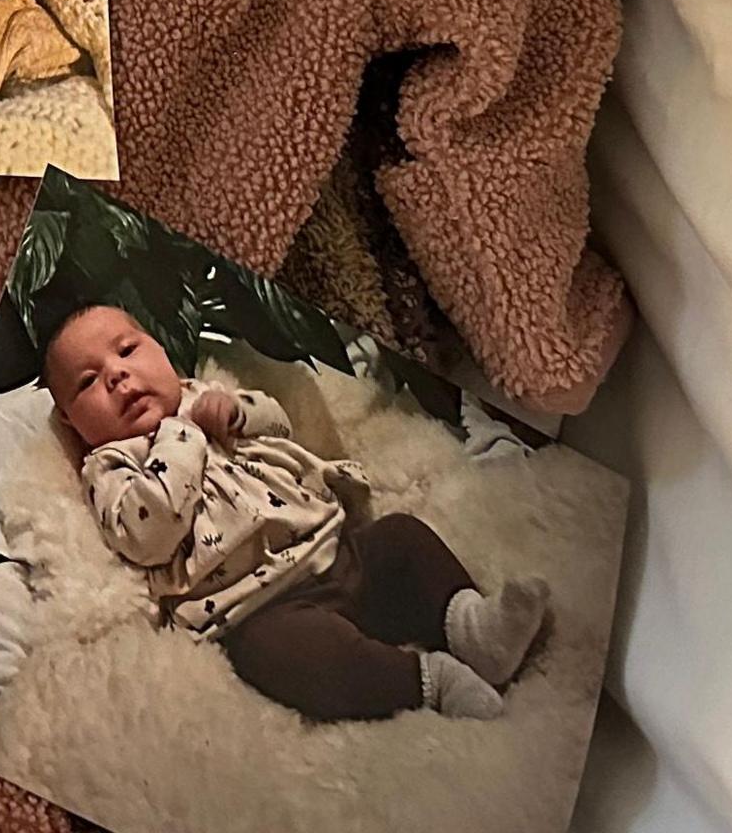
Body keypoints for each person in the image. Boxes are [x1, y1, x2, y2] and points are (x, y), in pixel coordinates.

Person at [44, 303, 547, 725]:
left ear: (160, 349)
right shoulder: (109, 466)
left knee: (403, 537)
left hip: (337, 549)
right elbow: (147, 533)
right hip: (261, 611)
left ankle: (472, 627)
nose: (116, 374)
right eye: (88, 381)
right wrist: (181, 435)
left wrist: (239, 413)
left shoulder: (205, 395)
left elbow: (279, 426)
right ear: (69, 419)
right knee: (295, 659)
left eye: (128, 350)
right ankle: (428, 682)